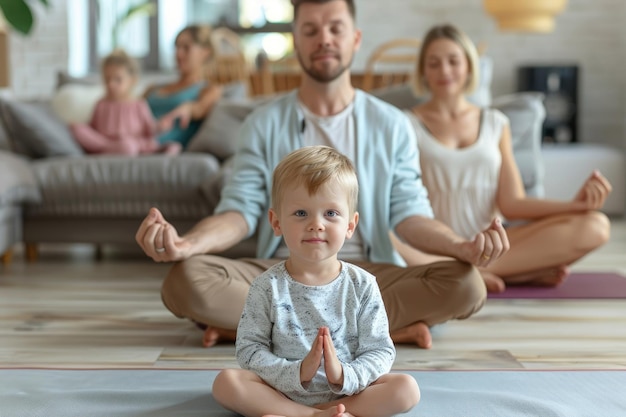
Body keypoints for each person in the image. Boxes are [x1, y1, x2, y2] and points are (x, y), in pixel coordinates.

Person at [136, 0, 510, 350]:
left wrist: (461, 248)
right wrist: (189, 244)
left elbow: (410, 215)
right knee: (187, 279)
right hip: (279, 275)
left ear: (355, 38)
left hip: (367, 278)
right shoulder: (261, 123)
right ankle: (377, 332)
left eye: (335, 28)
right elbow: (239, 210)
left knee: (465, 284)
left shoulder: (393, 125)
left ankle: (264, 331)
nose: (324, 39)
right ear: (295, 40)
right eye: (311, 30)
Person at [396, 23, 612, 293]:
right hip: (433, 248)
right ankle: (509, 272)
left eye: (453, 61)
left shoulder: (496, 123)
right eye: (434, 63)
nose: (445, 71)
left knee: (596, 224)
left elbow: (512, 203)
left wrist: (575, 206)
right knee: (388, 241)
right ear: (423, 72)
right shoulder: (404, 124)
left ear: (469, 67)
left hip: (494, 246)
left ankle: (471, 272)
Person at [212, 146, 420, 417]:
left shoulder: (363, 284)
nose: (316, 224)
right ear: (276, 222)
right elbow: (250, 350)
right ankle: (309, 414)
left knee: (406, 388)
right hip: (281, 389)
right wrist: (297, 372)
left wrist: (343, 375)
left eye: (331, 213)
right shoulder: (267, 286)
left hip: (349, 392)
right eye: (301, 213)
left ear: (350, 225)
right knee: (226, 382)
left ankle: (310, 412)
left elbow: (379, 351)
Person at [70, 49, 181, 156]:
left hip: (133, 144)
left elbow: (150, 129)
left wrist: (160, 127)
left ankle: (113, 150)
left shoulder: (138, 104)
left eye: (117, 79)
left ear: (132, 80)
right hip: (105, 142)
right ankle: (111, 148)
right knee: (76, 128)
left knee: (171, 146)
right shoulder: (101, 104)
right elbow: (93, 129)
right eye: (107, 79)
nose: (111, 84)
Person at [144, 24, 223, 149]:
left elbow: (199, 109)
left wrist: (188, 108)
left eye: (186, 48)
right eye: (177, 47)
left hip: (160, 148)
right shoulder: (153, 88)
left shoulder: (208, 89)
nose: (178, 54)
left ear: (205, 52)